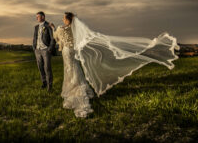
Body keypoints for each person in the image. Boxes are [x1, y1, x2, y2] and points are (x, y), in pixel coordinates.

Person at [49, 12, 179, 118]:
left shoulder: (61, 29)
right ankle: (81, 87)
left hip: (67, 51)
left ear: (67, 19)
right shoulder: (75, 30)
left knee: (70, 70)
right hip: (73, 51)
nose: (62, 19)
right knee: (75, 69)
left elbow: (56, 37)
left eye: (63, 18)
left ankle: (75, 90)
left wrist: (53, 28)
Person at [32, 11, 56, 91]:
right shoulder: (36, 27)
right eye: (36, 17)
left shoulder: (48, 25)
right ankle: (44, 83)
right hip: (37, 50)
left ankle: (50, 86)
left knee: (47, 68)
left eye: (38, 16)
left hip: (46, 50)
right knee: (40, 67)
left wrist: (50, 49)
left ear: (43, 17)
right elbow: (34, 38)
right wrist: (34, 47)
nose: (36, 18)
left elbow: (53, 38)